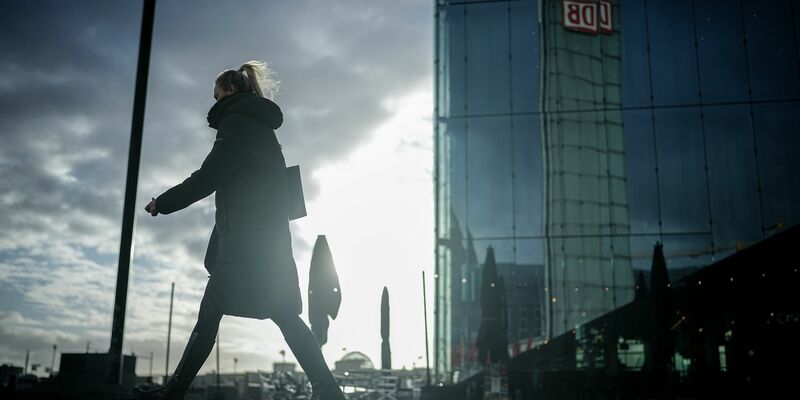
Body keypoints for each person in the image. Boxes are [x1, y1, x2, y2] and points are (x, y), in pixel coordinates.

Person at [134, 61, 345, 400]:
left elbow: (209, 175)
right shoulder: (263, 127)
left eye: (216, 95)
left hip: (245, 243)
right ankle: (327, 389)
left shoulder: (237, 122)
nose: (214, 102)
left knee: (213, 312)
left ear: (229, 91)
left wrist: (164, 202)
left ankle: (173, 392)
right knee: (283, 314)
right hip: (269, 242)